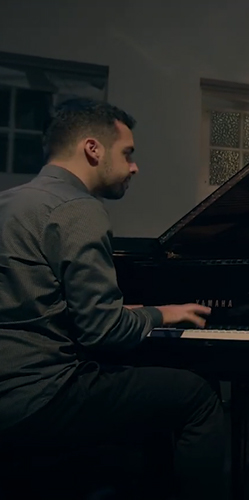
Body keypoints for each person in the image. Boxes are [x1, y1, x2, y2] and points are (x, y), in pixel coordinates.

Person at [0, 98, 226, 499]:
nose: (134, 166)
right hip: (39, 397)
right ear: (93, 149)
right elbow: (104, 333)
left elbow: (32, 300)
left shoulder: (11, 201)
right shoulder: (77, 208)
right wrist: (162, 313)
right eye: (128, 153)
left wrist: (117, 312)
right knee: (196, 395)